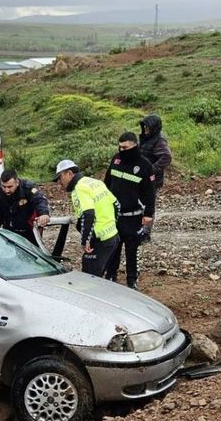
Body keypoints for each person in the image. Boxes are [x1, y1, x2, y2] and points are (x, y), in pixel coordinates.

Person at [103, 133, 156, 290]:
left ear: (134, 146)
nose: (121, 150)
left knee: (132, 251)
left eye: (125, 147)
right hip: (114, 216)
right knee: (113, 248)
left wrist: (148, 214)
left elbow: (149, 192)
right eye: (119, 147)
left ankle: (131, 281)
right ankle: (111, 277)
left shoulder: (144, 165)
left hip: (133, 217)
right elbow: (107, 184)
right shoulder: (116, 159)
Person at [54, 159, 120, 276]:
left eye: (60, 177)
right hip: (113, 237)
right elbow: (116, 204)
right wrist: (113, 224)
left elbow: (88, 214)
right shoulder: (95, 182)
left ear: (69, 173)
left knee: (89, 279)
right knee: (103, 278)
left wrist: (86, 241)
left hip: (99, 241)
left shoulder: (79, 188)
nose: (59, 182)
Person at [0, 169, 50, 244]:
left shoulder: (28, 188)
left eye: (10, 187)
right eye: (4, 186)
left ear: (17, 182)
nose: (6, 190)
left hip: (30, 230)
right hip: (10, 232)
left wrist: (43, 213)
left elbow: (40, 200)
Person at [139, 114, 173, 200]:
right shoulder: (147, 138)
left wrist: (152, 169)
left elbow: (167, 156)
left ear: (153, 127)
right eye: (144, 125)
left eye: (147, 126)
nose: (145, 128)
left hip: (151, 178)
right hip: (142, 176)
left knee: (147, 204)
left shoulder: (159, 140)